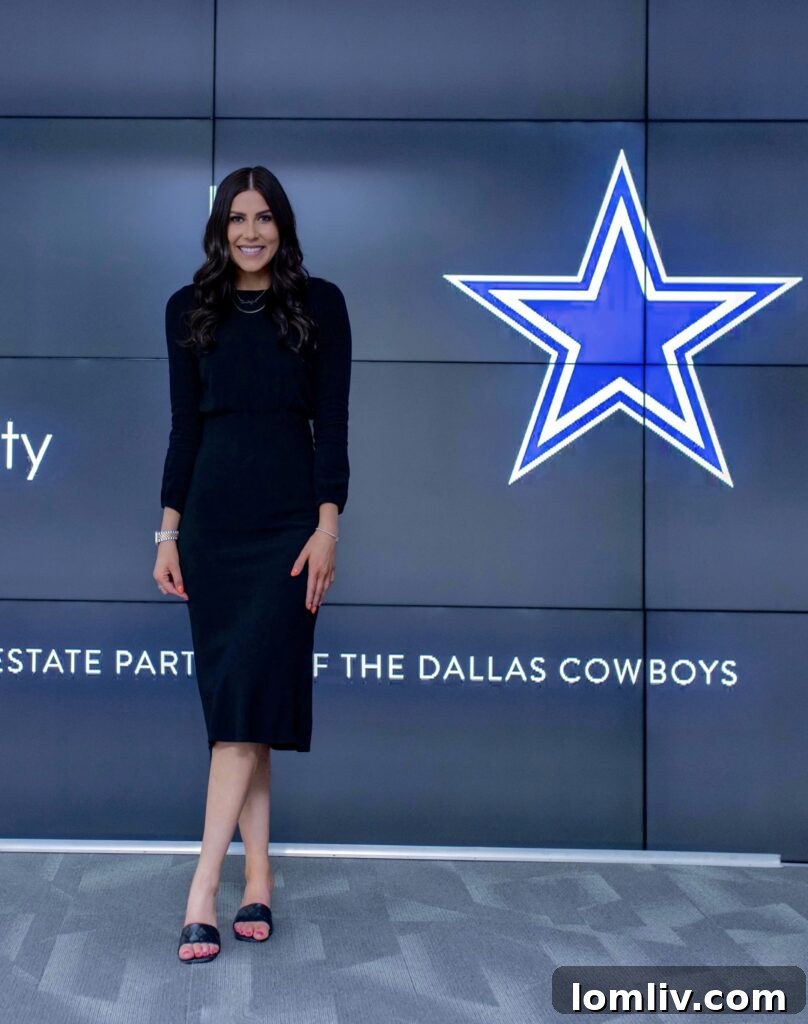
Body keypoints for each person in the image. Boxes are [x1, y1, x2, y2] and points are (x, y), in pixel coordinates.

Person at [152, 166, 351, 964]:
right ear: (220, 229)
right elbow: (181, 433)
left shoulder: (319, 305)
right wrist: (166, 534)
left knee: (241, 713)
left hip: (286, 533)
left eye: (264, 218)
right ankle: (258, 876)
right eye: (237, 218)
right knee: (244, 713)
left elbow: (331, 425)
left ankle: (202, 890)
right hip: (211, 529)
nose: (250, 232)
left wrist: (327, 526)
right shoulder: (186, 311)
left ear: (283, 226)